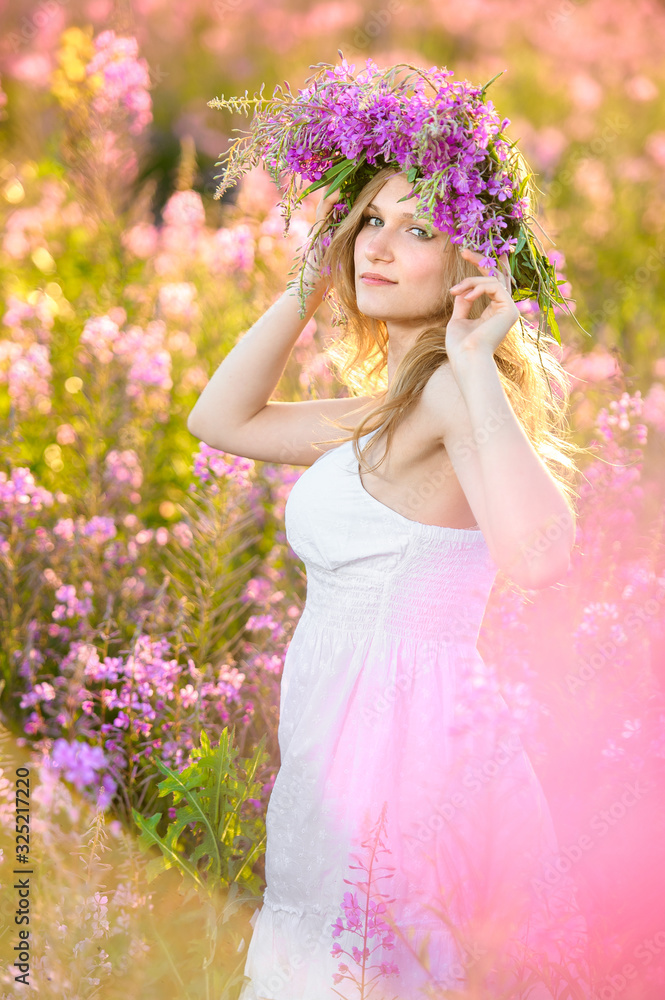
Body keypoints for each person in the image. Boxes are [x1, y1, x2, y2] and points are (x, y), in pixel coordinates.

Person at [187, 165, 590, 999]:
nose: (376, 246)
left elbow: (543, 555)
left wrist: (476, 359)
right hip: (338, 739)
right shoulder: (386, 408)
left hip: (401, 749)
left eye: (417, 230)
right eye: (367, 221)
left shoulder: (447, 391)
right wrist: (311, 273)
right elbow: (219, 420)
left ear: (470, 260)